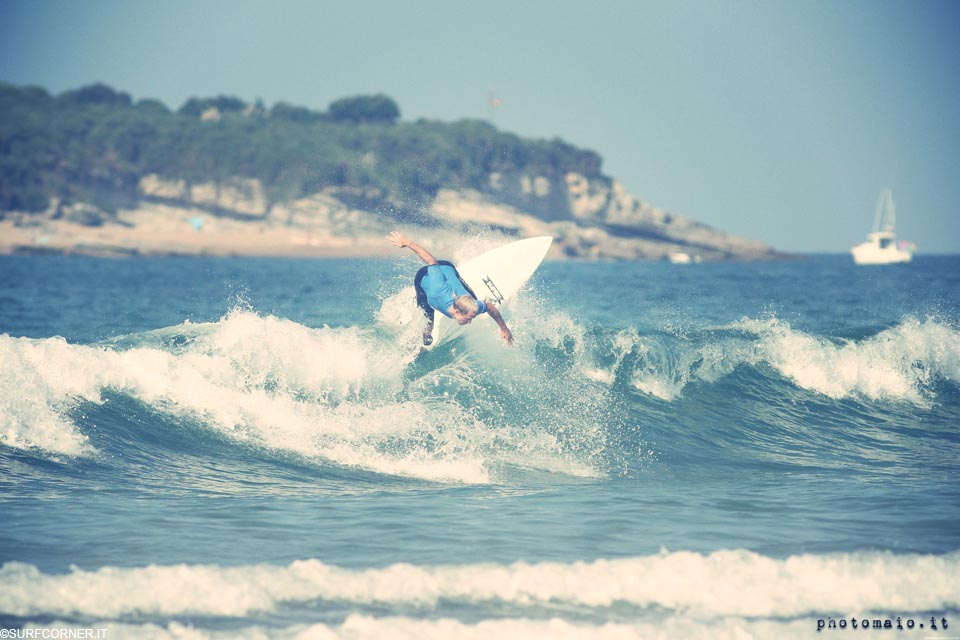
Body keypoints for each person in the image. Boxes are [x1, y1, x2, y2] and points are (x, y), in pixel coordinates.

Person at [389, 231, 513, 346]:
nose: (470, 321)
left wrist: (504, 328)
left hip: (449, 267)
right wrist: (407, 242)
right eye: (469, 318)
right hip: (424, 276)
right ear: (458, 312)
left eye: (471, 317)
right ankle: (425, 335)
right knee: (428, 311)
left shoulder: (474, 305)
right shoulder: (436, 292)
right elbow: (432, 262)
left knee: (472, 297)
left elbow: (489, 307)